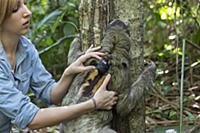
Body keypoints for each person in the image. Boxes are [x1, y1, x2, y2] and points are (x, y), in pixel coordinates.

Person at [0, 0, 118, 132]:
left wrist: (69, 72)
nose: (28, 12)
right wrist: (93, 104)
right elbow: (31, 119)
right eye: (15, 9)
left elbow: (50, 95)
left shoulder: (26, 49)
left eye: (25, 4)